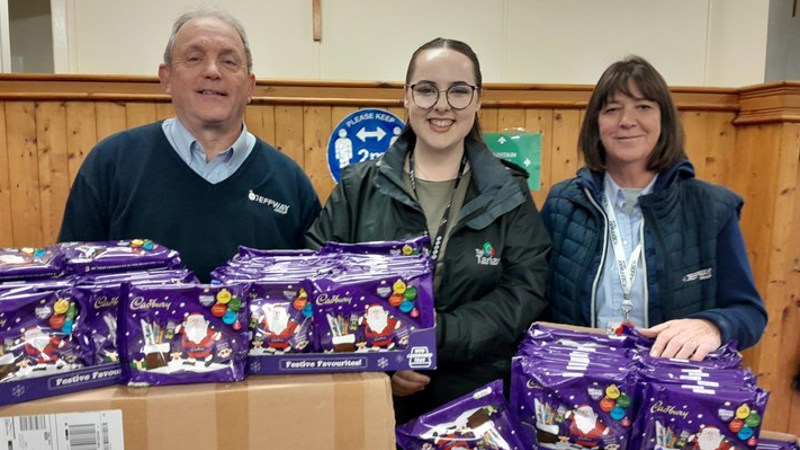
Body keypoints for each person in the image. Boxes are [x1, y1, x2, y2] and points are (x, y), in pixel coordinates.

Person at [306, 38, 550, 423]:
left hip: (476, 406)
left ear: (477, 100)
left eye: (458, 91)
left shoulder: (509, 192)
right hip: (373, 399)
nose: (441, 104)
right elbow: (317, 279)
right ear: (406, 97)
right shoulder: (358, 187)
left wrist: (432, 336)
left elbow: (524, 293)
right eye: (426, 90)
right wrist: (385, 357)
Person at [58, 9, 321, 281]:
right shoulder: (110, 165)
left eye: (229, 62)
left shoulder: (291, 184)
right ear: (166, 78)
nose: (212, 71)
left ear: (250, 87)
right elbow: (70, 283)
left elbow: (313, 294)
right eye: (194, 58)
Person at [541, 56, 766, 361]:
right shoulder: (563, 203)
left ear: (664, 120)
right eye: (612, 109)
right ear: (597, 124)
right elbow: (534, 301)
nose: (627, 120)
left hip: (673, 396)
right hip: (581, 389)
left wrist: (713, 326)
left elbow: (749, 313)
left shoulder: (712, 208)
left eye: (643, 107)